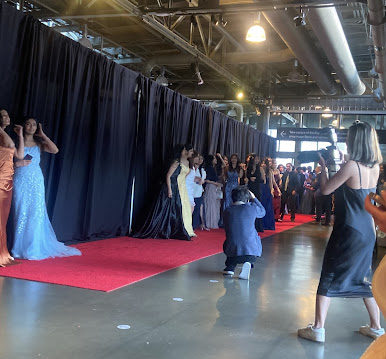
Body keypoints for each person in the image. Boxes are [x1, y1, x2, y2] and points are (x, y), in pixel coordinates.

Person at [298, 121, 384, 343]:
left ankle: (318, 328)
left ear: (355, 141)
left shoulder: (351, 166)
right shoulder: (375, 167)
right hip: (367, 230)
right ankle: (376, 326)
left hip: (348, 229)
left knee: (329, 272)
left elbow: (326, 190)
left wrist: (324, 169)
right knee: (363, 277)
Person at [10, 117, 81, 260]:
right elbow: (20, 156)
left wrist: (43, 135)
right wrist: (20, 135)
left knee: (36, 213)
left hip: (36, 180)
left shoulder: (39, 143)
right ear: (23, 126)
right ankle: (18, 249)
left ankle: (33, 248)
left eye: (34, 125)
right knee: (21, 212)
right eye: (28, 124)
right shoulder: (16, 141)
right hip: (20, 179)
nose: (31, 127)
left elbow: (55, 150)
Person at [135, 144, 195, 240]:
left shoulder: (185, 162)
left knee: (179, 209)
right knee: (167, 209)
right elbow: (168, 176)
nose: (192, 153)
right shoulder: (176, 162)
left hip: (179, 188)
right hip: (172, 187)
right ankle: (166, 229)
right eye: (191, 151)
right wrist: (170, 189)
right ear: (185, 151)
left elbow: (183, 177)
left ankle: (180, 229)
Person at [222, 187, 266, 280]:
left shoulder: (227, 211)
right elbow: (263, 212)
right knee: (254, 236)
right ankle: (249, 262)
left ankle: (230, 267)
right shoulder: (252, 208)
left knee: (232, 238)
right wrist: (254, 198)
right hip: (250, 251)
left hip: (231, 251)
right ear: (247, 198)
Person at [0, 109, 25, 266]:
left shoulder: (5, 134)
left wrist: (20, 135)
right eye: (3, 115)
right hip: (0, 180)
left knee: (3, 219)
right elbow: (9, 146)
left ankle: (2, 252)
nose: (7, 117)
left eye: (8, 115)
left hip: (7, 181)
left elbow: (20, 155)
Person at [203, 155, 223, 229]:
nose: (216, 160)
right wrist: (216, 183)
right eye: (214, 158)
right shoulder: (209, 168)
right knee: (211, 204)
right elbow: (206, 180)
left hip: (214, 187)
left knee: (214, 204)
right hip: (210, 187)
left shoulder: (213, 168)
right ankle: (209, 222)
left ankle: (212, 221)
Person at [260, 158, 280, 230]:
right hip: (261, 188)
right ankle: (261, 224)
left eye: (270, 162)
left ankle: (267, 225)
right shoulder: (260, 169)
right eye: (268, 162)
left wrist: (274, 189)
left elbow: (272, 181)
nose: (269, 163)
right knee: (262, 206)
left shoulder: (270, 171)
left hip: (267, 190)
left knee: (268, 207)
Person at [247, 154, 265, 232]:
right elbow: (245, 177)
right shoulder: (249, 168)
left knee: (257, 205)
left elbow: (263, 180)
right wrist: (249, 178)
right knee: (249, 205)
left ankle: (258, 226)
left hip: (257, 188)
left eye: (258, 159)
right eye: (255, 159)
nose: (257, 160)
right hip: (250, 187)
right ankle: (250, 224)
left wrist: (255, 179)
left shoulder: (260, 168)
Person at [192, 155, 207, 230]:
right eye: (199, 159)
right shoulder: (191, 168)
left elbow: (202, 181)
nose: (200, 160)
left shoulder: (202, 170)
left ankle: (194, 226)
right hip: (190, 191)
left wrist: (199, 180)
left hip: (198, 192)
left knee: (197, 209)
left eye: (201, 159)